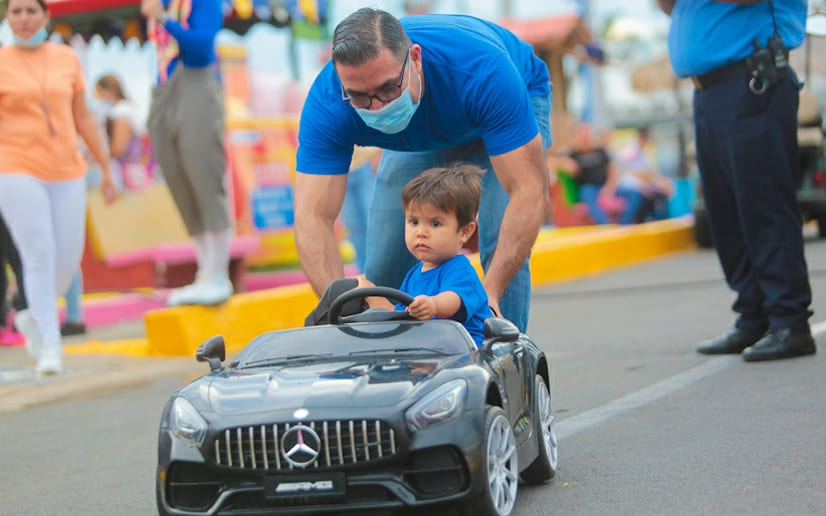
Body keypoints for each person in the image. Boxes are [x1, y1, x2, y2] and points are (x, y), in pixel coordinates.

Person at [294, 8, 551, 333]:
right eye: (360, 97)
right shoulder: (330, 102)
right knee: (385, 264)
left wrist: (489, 295)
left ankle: (505, 359)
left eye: (388, 90)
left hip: (503, 106)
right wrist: (340, 312)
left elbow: (528, 192)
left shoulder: (482, 71)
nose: (378, 107)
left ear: (415, 59)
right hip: (425, 132)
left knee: (496, 239)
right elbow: (312, 217)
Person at [658, 0, 816, 361]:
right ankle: (754, 315)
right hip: (711, 90)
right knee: (725, 211)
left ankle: (789, 321)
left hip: (752, 79)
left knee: (764, 204)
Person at [0, 0, 117, 374]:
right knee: (39, 252)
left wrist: (106, 167)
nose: (22, 19)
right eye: (15, 11)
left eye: (30, 11)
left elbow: (82, 114)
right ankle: (50, 343)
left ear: (46, 16)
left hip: (67, 168)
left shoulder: (67, 58)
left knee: (68, 257)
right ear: (7, 17)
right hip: (15, 166)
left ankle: (34, 314)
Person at [141, 0, 233, 307]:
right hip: (164, 87)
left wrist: (165, 19)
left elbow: (201, 46)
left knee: (203, 175)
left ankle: (217, 272)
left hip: (196, 81)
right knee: (179, 179)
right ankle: (204, 272)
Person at [359, 164, 492, 346]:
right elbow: (400, 316)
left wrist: (433, 305)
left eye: (435, 224)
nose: (421, 232)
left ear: (465, 231)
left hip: (462, 351)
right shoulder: (414, 274)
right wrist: (370, 295)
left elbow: (453, 299)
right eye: (414, 222)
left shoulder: (461, 270)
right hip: (426, 349)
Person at [554, 123, 620, 225]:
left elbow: (612, 171)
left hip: (605, 186)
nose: (585, 139)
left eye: (587, 135)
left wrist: (609, 187)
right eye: (582, 136)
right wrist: (563, 162)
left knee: (634, 193)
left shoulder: (600, 151)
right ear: (575, 137)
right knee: (587, 193)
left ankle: (626, 226)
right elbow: (548, 162)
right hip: (587, 188)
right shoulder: (571, 154)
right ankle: (606, 225)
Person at [95, 73, 149, 190]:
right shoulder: (129, 108)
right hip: (136, 171)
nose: (98, 98)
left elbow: (119, 147)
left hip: (127, 173)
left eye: (98, 93)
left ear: (108, 91)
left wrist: (96, 155)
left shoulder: (121, 111)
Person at [614, 126, 673, 224]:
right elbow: (626, 170)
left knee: (660, 194)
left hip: (640, 183)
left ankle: (660, 219)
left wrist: (660, 181)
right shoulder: (630, 151)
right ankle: (627, 223)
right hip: (630, 183)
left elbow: (648, 172)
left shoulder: (642, 152)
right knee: (644, 195)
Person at [340, 146, 379, 272]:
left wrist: (379, 153)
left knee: (375, 223)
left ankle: (382, 271)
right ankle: (364, 273)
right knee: (354, 228)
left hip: (366, 162)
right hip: (340, 168)